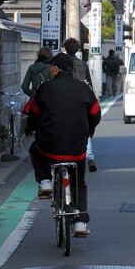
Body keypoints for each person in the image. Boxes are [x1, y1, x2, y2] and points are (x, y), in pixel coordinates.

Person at [27, 52, 101, 238]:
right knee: (79, 182)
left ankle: (45, 182)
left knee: (35, 150)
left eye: (51, 67)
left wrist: (32, 128)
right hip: (77, 148)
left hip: (49, 146)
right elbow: (95, 113)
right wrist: (88, 132)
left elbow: (34, 113)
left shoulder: (45, 88)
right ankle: (81, 223)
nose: (49, 70)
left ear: (56, 68)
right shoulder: (83, 89)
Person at [62, 37, 97, 171]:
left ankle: (66, 156)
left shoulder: (61, 63)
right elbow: (89, 83)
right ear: (77, 49)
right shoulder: (83, 64)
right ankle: (90, 157)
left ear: (65, 48)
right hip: (82, 99)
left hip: (65, 100)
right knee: (84, 129)